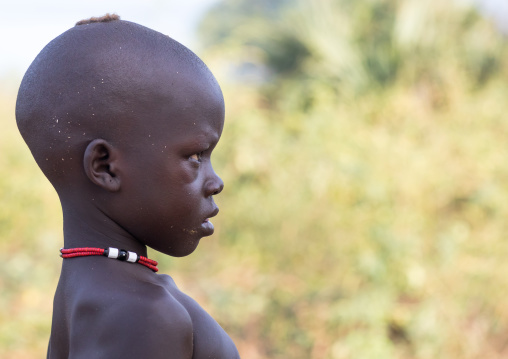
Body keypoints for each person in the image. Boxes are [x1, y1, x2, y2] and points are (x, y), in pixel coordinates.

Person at [15, 14, 240, 359]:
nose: (216, 182)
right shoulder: (140, 313)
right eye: (195, 156)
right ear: (105, 167)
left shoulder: (88, 294)